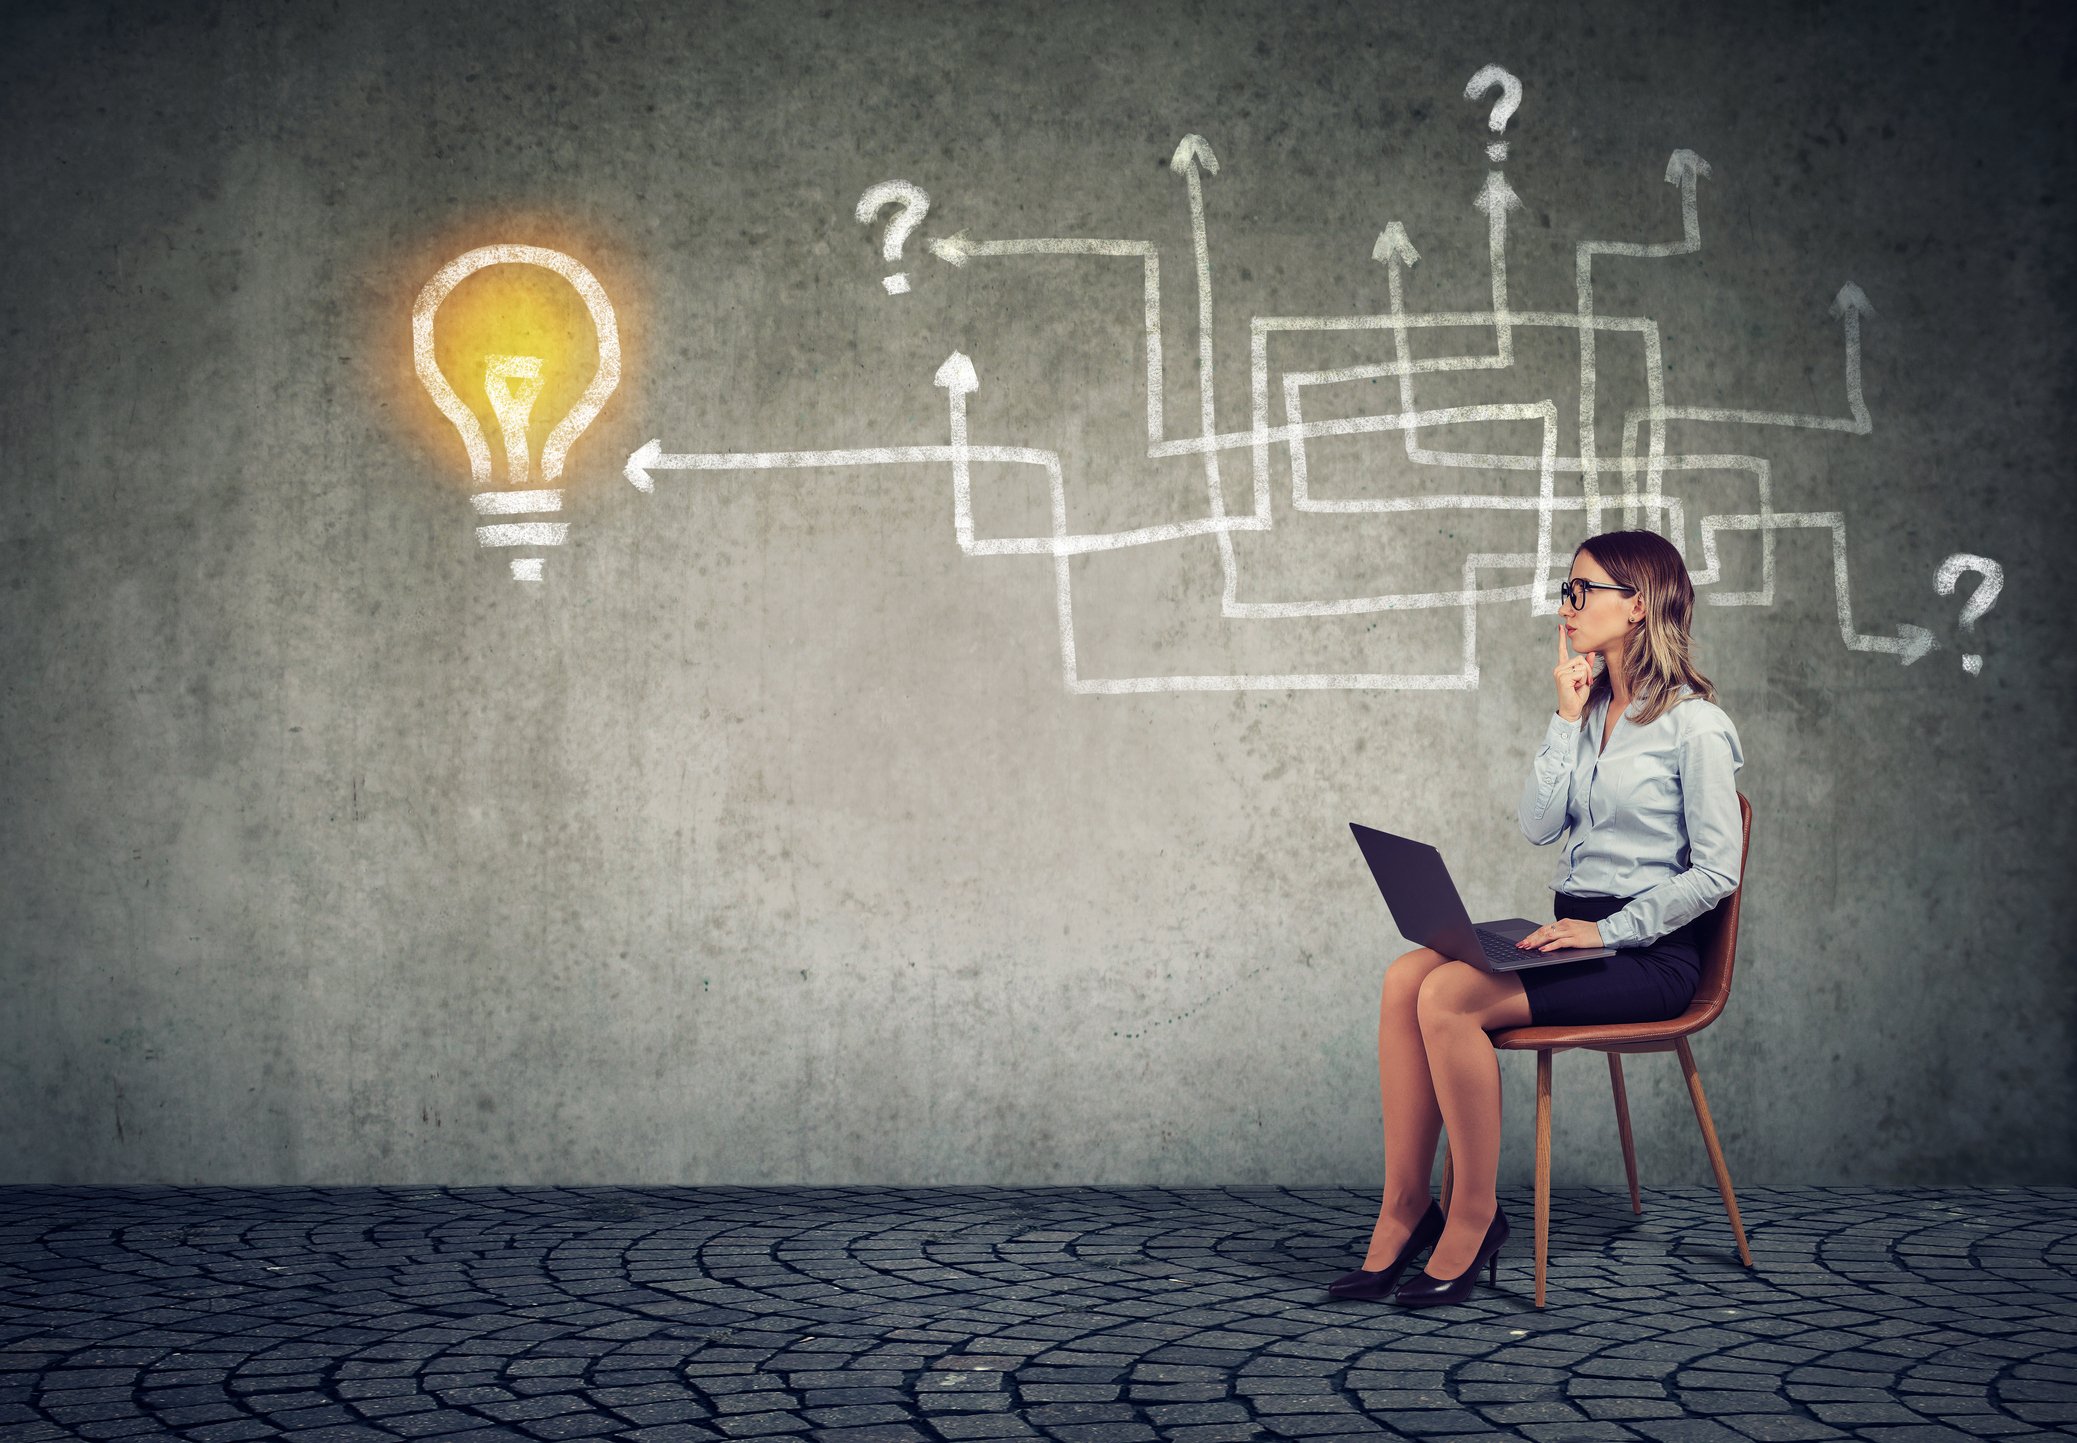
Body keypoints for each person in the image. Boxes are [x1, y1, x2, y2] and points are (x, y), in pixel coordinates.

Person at [1328, 528, 1744, 1307]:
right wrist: (1563, 716)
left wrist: (1607, 930)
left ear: (1639, 604)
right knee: (1403, 977)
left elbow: (1717, 872)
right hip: (1569, 939)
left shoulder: (1695, 726)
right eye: (1566, 587)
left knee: (1446, 997)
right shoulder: (1588, 713)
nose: (1566, 603)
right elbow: (1537, 824)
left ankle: (1474, 1216)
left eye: (1582, 590)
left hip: (1646, 957)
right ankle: (1405, 1205)